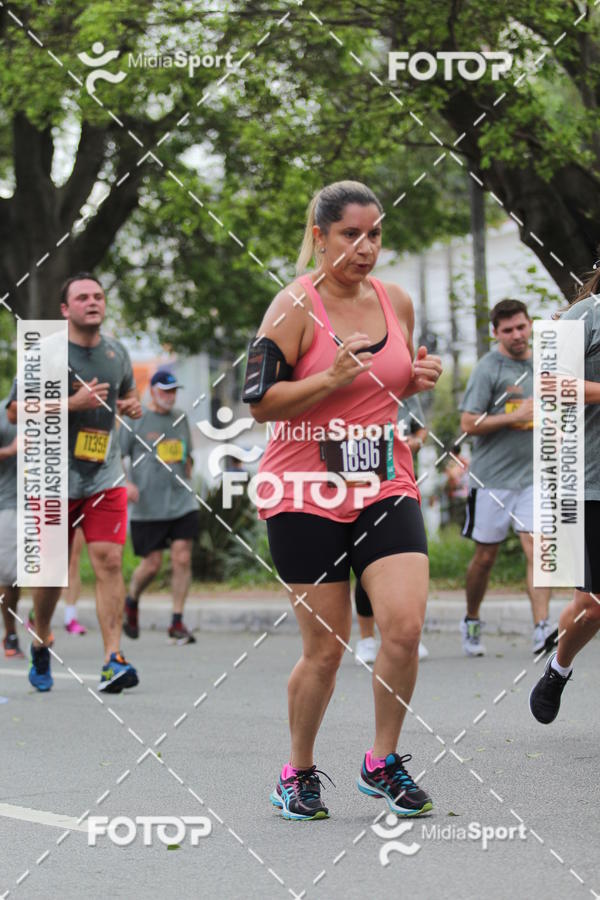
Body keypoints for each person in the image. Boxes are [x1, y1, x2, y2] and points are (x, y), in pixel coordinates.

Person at [244, 180, 442, 820]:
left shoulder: (397, 301)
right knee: (325, 650)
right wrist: (327, 377)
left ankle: (381, 761)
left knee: (405, 628)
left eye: (375, 234)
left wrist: (412, 379)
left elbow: (385, 389)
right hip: (304, 488)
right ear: (320, 236)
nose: (365, 247)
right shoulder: (293, 306)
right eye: (351, 235)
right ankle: (297, 771)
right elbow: (258, 403)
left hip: (383, 480)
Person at [8, 273, 142, 692]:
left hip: (103, 475)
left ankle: (113, 657)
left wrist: (131, 406)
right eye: (82, 297)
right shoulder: (45, 352)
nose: (92, 302)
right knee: (51, 576)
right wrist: (71, 403)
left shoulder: (116, 353)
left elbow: (125, 397)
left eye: (98, 296)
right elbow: (15, 412)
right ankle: (41, 637)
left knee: (108, 561)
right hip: (51, 477)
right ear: (65, 309)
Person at [459, 299, 555, 657]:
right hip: (491, 481)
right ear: (496, 333)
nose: (517, 335)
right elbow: (468, 424)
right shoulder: (489, 368)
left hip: (534, 476)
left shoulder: (546, 362)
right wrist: (512, 418)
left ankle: (542, 628)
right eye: (508, 330)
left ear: (530, 325)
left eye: (522, 327)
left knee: (537, 547)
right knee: (485, 558)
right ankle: (471, 618)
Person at [530, 262, 600, 724]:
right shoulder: (586, 315)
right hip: (591, 481)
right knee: (591, 606)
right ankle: (558, 668)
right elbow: (549, 386)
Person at [120, 368, 199, 645]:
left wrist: (188, 465)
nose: (170, 396)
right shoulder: (136, 420)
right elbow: (118, 455)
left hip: (181, 500)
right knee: (152, 565)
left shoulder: (180, 418)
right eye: (165, 391)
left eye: (174, 391)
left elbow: (188, 453)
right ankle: (132, 600)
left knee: (182, 557)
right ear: (152, 391)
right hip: (148, 505)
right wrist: (126, 484)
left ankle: (177, 622)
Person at [354, 394, 429, 664]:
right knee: (365, 564)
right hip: (355, 483)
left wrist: (412, 444)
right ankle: (366, 638)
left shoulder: (403, 390)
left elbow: (422, 430)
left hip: (399, 482)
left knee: (406, 561)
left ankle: (402, 635)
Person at [0, 387, 22, 658]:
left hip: (47, 503)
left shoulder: (54, 415)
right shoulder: (2, 415)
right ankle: (11, 633)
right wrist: (11, 450)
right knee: (11, 578)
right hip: (8, 504)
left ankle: (41, 626)